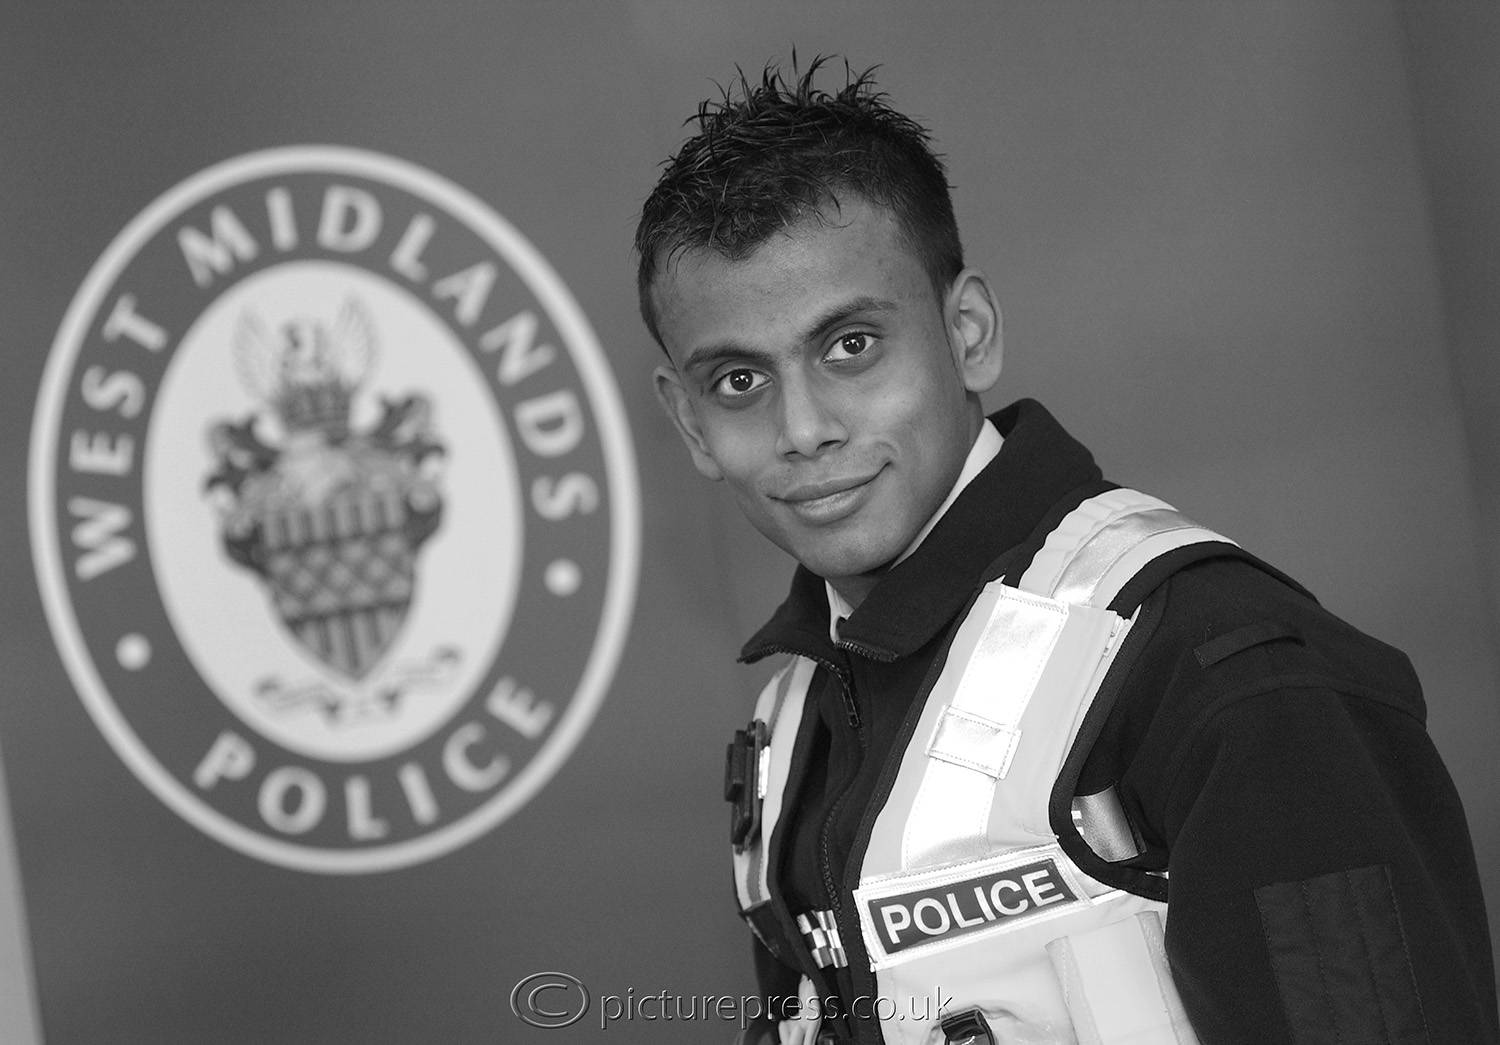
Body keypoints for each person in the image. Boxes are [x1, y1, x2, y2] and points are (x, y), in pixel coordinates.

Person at [635, 58, 1499, 1045]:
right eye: (740, 380)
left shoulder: (1230, 671)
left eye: (851, 347)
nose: (804, 427)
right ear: (689, 424)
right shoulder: (789, 730)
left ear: (968, 334)